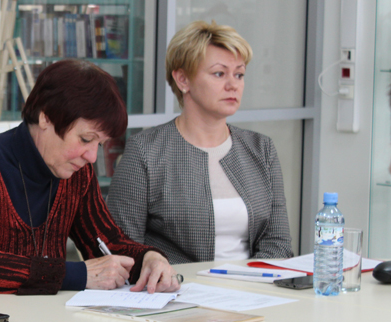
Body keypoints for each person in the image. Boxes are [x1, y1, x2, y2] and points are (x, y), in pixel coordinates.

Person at [0, 59, 180, 297]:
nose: (92, 157)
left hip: (30, 320)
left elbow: (106, 243)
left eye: (99, 144)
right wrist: (77, 275)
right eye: (86, 139)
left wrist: (149, 258)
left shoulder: (76, 173)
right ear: (46, 118)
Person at [107, 20, 293, 264]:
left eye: (239, 74)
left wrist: (250, 278)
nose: (233, 85)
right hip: (176, 285)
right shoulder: (145, 151)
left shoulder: (261, 149)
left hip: (252, 284)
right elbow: (122, 247)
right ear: (183, 80)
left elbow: (279, 243)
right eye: (219, 73)